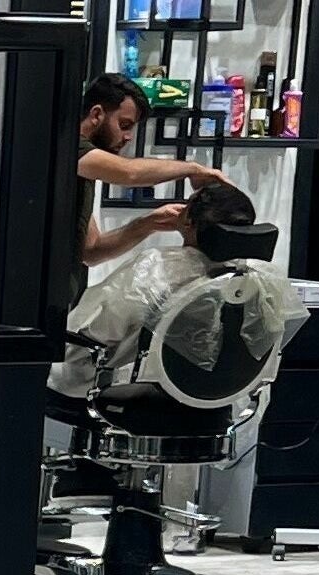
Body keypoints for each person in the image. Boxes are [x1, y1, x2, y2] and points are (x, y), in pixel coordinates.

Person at [53, 180, 285, 400]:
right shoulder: (257, 283)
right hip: (215, 402)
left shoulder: (153, 271)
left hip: (127, 395)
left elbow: (91, 335)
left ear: (188, 221)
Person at [76, 73, 232, 274]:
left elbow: (91, 251)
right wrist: (194, 169)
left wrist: (149, 223)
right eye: (124, 125)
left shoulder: (85, 172)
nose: (128, 137)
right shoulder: (71, 150)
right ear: (97, 114)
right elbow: (129, 173)